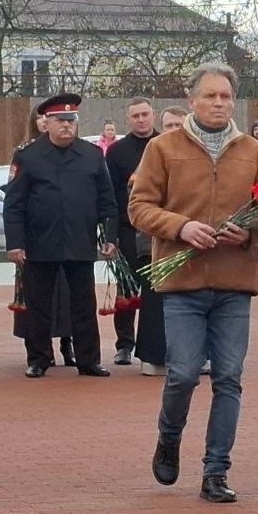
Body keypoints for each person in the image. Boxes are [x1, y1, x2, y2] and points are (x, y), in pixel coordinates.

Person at [129, 63, 258, 504]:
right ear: (192, 99)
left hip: (235, 280)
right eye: (210, 96)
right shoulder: (163, 147)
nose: (218, 103)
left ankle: (216, 470)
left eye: (226, 97)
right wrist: (180, 227)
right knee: (181, 374)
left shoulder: (251, 150)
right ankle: (169, 436)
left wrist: (249, 233)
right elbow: (139, 206)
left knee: (229, 377)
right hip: (182, 280)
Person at [4, 93, 118, 379]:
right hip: (40, 242)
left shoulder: (91, 155)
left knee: (83, 304)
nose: (67, 126)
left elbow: (107, 201)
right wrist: (15, 243)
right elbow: (14, 204)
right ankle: (39, 359)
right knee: (39, 305)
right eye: (61, 121)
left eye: (71, 120)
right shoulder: (28, 156)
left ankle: (88, 360)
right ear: (48, 122)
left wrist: (110, 237)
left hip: (79, 241)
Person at [104, 97, 167, 371]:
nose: (141, 120)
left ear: (153, 115)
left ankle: (155, 344)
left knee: (157, 291)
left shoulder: (167, 145)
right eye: (136, 116)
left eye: (145, 114)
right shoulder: (117, 151)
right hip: (128, 230)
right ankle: (124, 345)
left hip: (160, 231)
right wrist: (111, 234)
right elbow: (110, 196)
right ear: (128, 120)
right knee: (127, 289)